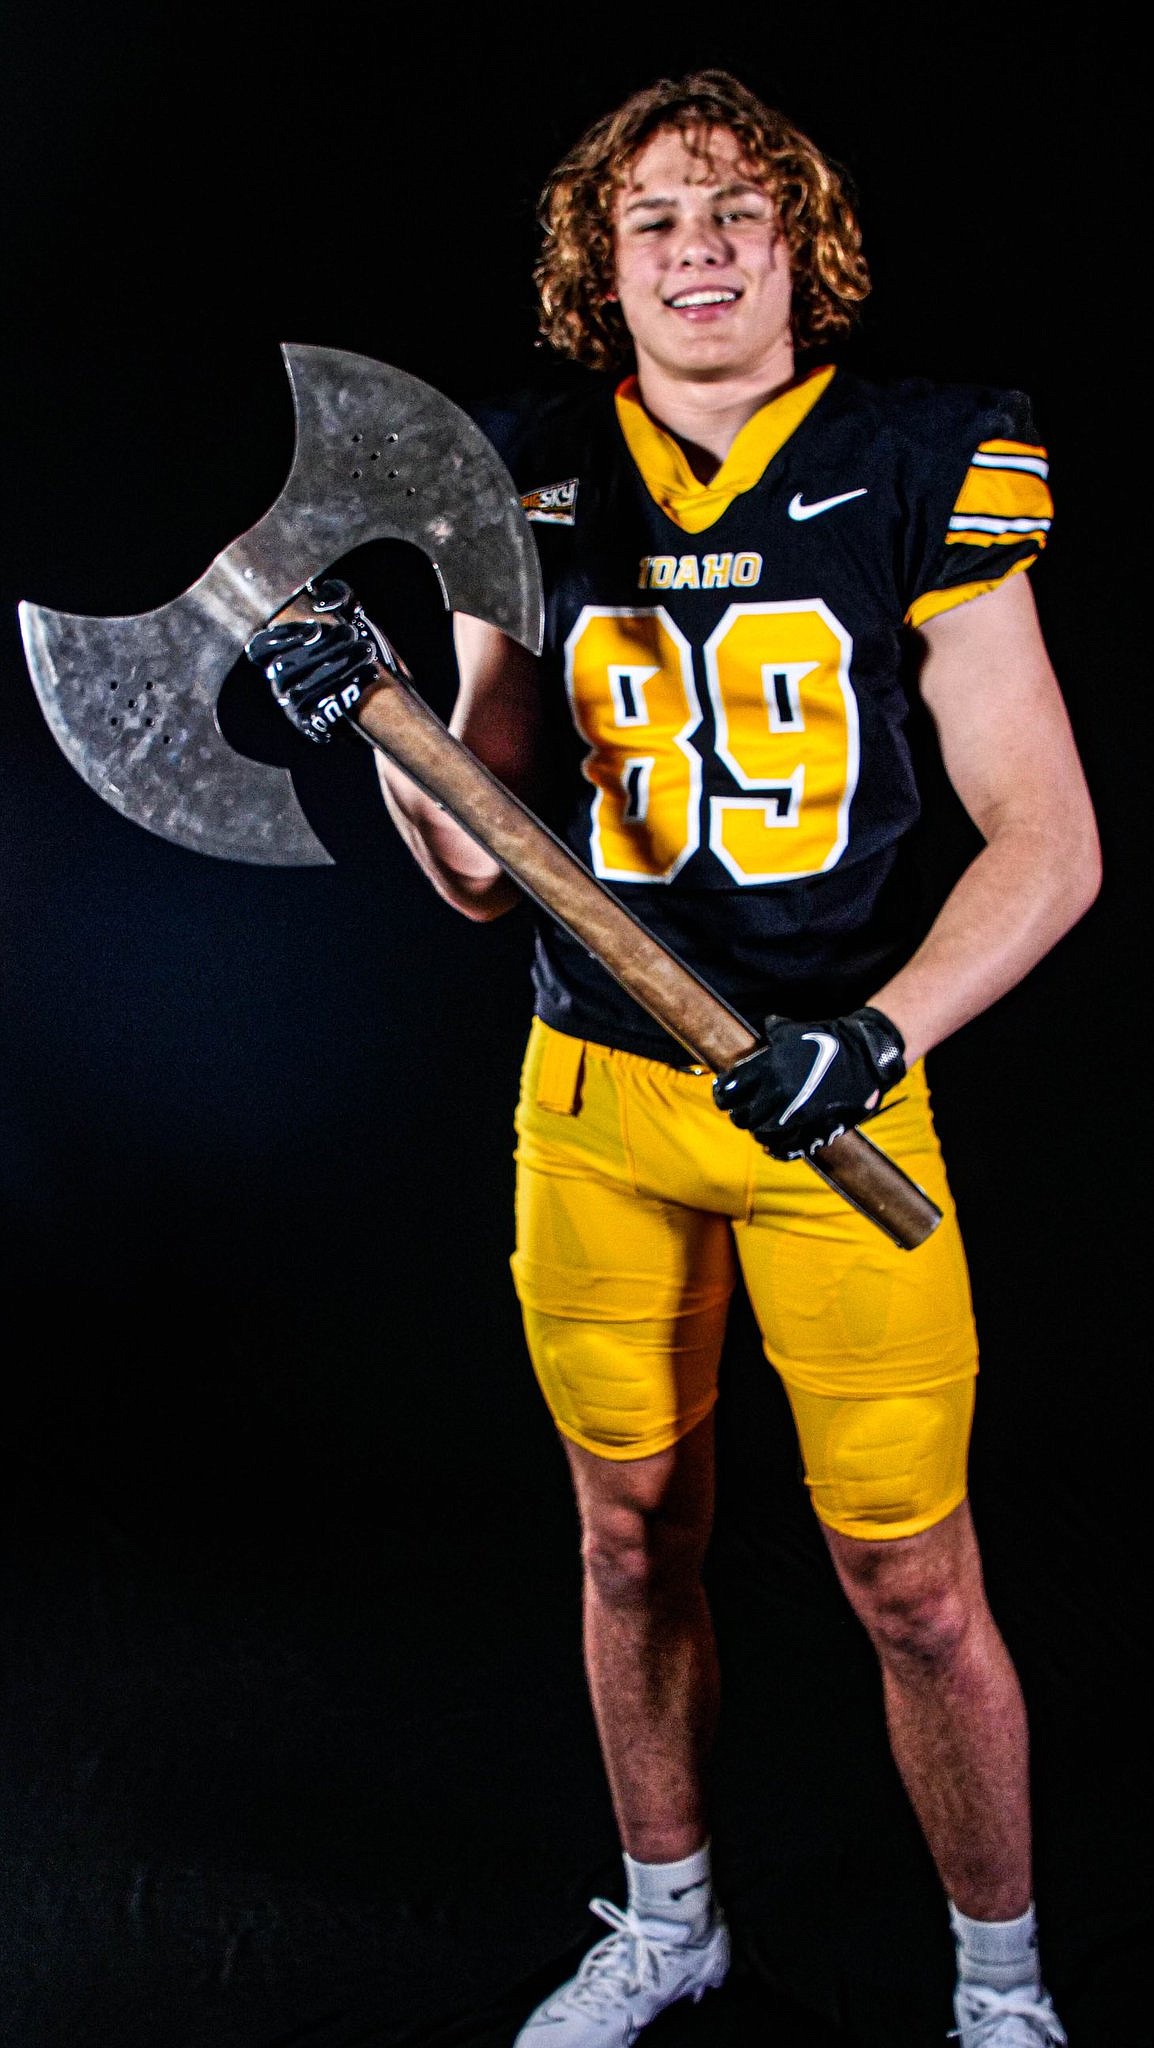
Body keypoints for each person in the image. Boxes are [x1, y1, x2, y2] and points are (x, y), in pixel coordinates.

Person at [247, 69, 1099, 2048]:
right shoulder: (517, 470)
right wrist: (375, 721)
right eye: (654, 218)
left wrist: (879, 1030)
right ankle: (672, 1920)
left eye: (736, 207)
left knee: (910, 1579)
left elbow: (1048, 835)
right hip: (594, 1099)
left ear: (803, 247)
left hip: (833, 1086)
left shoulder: (919, 457)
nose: (697, 243)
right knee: (629, 1529)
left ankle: (1001, 1986)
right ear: (596, 268)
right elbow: (481, 874)